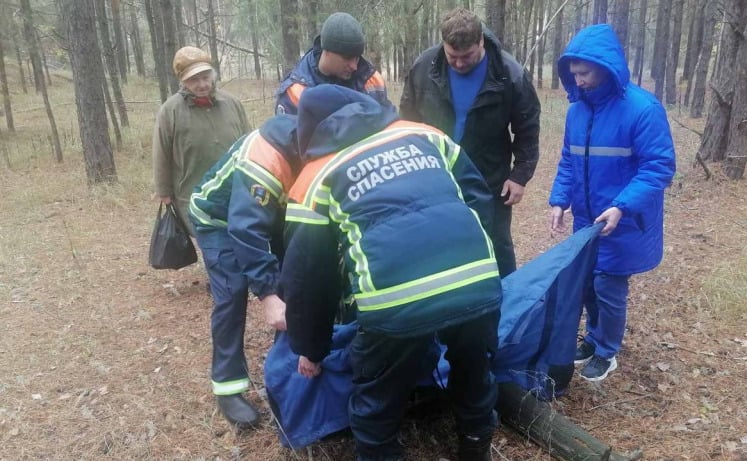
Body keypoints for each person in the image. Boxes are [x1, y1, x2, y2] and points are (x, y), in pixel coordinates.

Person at [280, 84, 502, 461]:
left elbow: (309, 279)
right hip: (476, 278)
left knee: (376, 397)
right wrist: (470, 263)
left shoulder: (316, 176)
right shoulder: (423, 133)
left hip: (394, 300)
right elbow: (478, 199)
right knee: (473, 367)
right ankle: (476, 444)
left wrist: (311, 348)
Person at [548, 24, 676, 382]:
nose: (580, 81)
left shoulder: (642, 109)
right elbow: (569, 160)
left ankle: (607, 351)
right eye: (574, 74)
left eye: (585, 73)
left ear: (605, 67)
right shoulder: (578, 111)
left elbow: (659, 167)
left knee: (608, 286)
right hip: (587, 218)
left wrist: (621, 205)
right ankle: (591, 340)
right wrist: (560, 200)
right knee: (587, 282)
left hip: (623, 220)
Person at [399, 7, 540, 277]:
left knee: (496, 243)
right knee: (439, 242)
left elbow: (528, 127)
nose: (460, 64)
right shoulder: (424, 67)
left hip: (490, 177)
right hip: (435, 175)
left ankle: (507, 303)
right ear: (443, 45)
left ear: (481, 42)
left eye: (467, 56)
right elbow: (407, 119)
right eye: (453, 57)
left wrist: (520, 175)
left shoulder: (509, 74)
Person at [188, 114, 301, 428]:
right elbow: (245, 230)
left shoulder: (317, 144)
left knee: (289, 280)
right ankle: (228, 386)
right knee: (232, 293)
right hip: (218, 221)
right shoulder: (264, 157)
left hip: (267, 217)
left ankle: (290, 369)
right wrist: (267, 293)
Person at [153, 46, 250, 234]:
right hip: (191, 194)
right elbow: (161, 152)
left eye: (205, 77)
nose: (202, 84)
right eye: (194, 80)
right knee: (208, 241)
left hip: (234, 190)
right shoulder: (170, 110)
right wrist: (163, 190)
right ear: (183, 81)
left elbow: (249, 143)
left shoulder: (233, 103)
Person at [274, 12, 390, 115]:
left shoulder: (372, 81)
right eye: (347, 58)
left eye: (357, 58)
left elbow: (388, 126)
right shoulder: (295, 92)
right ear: (327, 51)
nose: (354, 66)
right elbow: (288, 138)